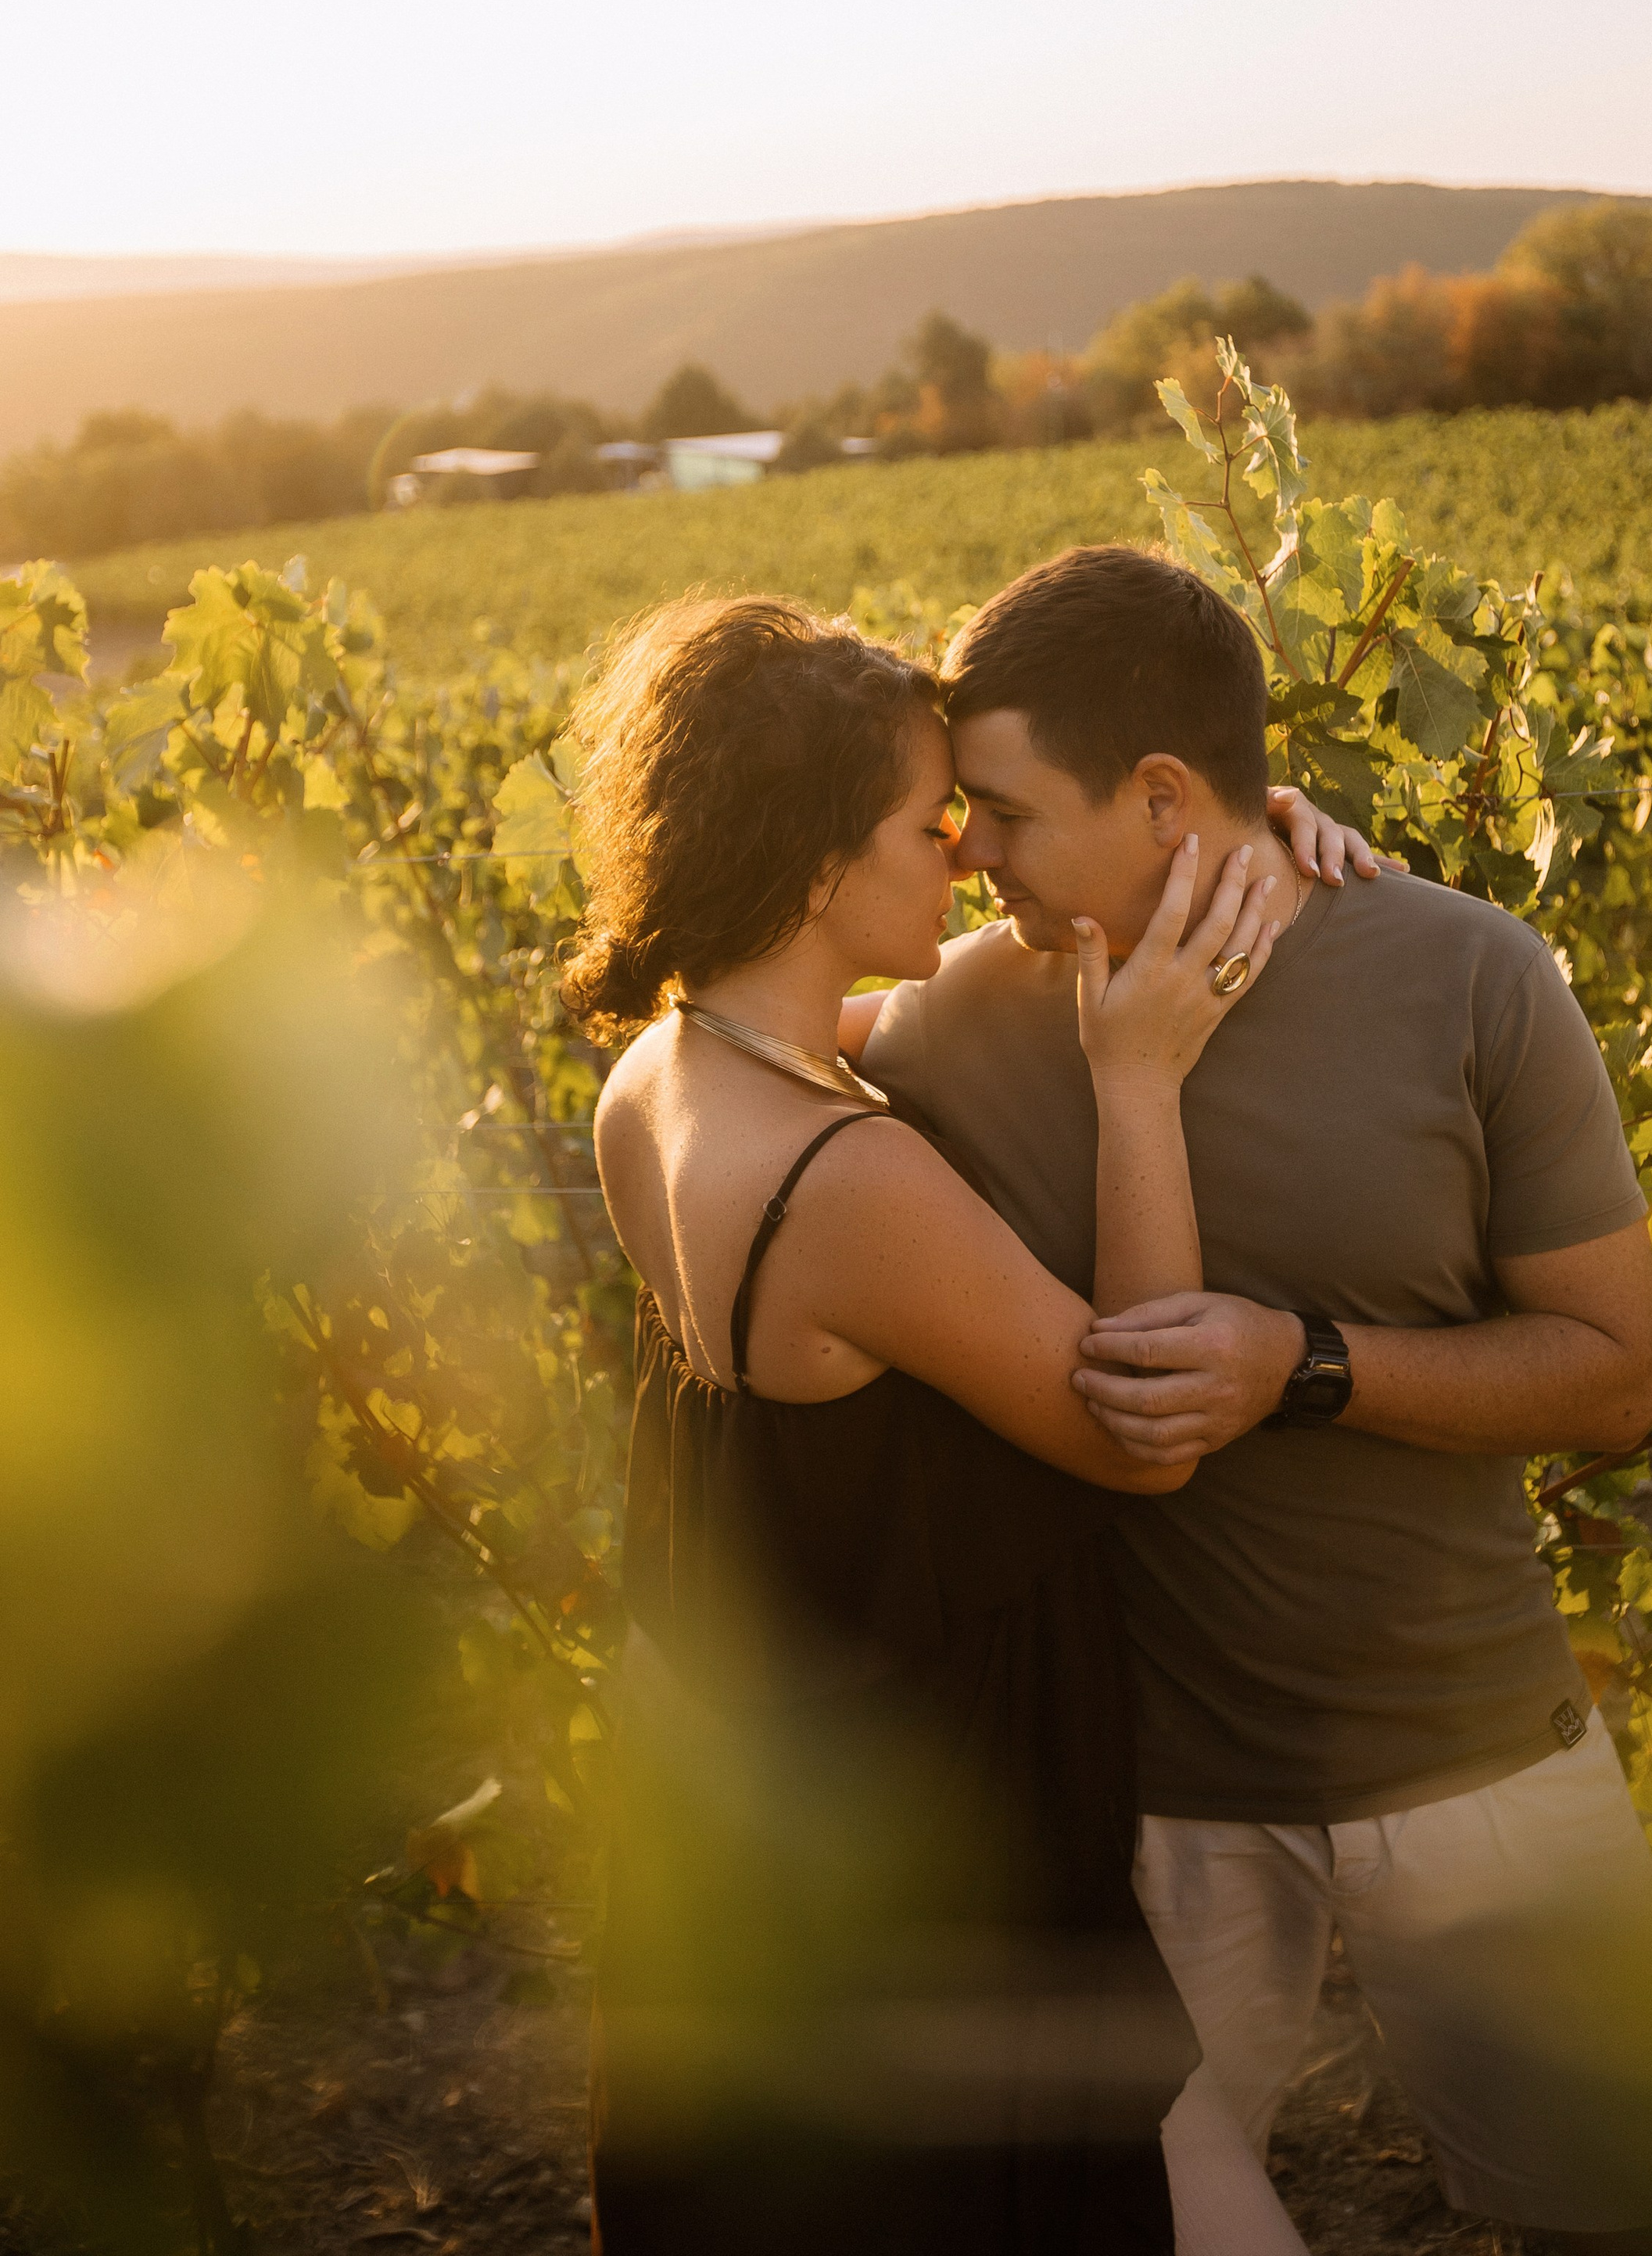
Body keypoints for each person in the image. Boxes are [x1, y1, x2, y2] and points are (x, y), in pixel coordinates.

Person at [851, 544, 1652, 2251]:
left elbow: (1612, 1377)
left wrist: (1296, 1365)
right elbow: (685, 1022)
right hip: (1153, 1803)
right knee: (1112, 2228)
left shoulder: (1465, 973)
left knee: (1628, 2214)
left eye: (998, 812)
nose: (966, 854)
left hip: (1481, 1761)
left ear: (1162, 795)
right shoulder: (961, 1012)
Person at [566, 593, 1350, 2256]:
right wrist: (1138, 1084)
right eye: (927, 830)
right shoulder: (851, 1188)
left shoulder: (664, 1079)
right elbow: (1145, 1420)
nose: (967, 862)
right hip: (948, 1871)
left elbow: (910, 1012)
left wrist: (1202, 846)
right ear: (806, 872)